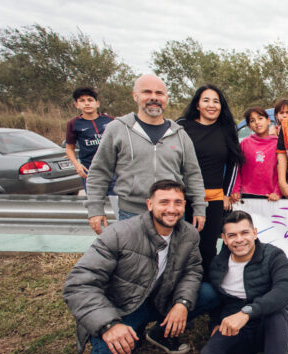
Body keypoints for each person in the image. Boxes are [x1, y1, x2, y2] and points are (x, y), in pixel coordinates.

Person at [64, 180, 219, 354]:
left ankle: (160, 333)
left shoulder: (189, 233)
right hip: (122, 307)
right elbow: (78, 284)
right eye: (164, 202)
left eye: (178, 202)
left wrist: (182, 303)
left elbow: (192, 271)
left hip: (160, 297)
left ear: (185, 205)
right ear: (149, 204)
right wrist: (109, 324)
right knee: (110, 352)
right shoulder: (120, 234)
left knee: (209, 294)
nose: (171, 209)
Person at [84, 74, 206, 234]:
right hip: (131, 214)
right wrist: (95, 208)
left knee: (170, 258)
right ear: (135, 96)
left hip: (170, 214)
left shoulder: (179, 134)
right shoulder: (118, 129)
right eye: (147, 92)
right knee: (133, 259)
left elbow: (193, 175)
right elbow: (100, 172)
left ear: (166, 98)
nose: (154, 98)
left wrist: (199, 208)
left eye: (159, 93)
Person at [196, 211, 288, 354]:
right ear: (224, 239)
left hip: (268, 323)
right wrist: (216, 322)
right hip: (235, 327)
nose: (239, 240)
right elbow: (217, 299)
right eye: (232, 235)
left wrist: (247, 312)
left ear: (255, 233)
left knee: (278, 314)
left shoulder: (273, 255)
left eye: (245, 233)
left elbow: (286, 290)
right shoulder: (218, 264)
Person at [178, 85, 244, 275]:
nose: (211, 105)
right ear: (197, 104)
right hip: (184, 198)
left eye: (216, 101)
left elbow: (233, 163)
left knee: (207, 249)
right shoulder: (182, 126)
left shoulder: (226, 129)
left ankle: (205, 292)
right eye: (206, 100)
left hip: (213, 198)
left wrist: (226, 193)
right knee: (181, 248)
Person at [65, 87, 114, 190]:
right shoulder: (73, 124)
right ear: (76, 105)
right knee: (95, 204)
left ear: (97, 103)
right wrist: (77, 165)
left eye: (90, 100)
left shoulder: (109, 120)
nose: (87, 103)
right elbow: (69, 148)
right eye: (82, 101)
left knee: (115, 203)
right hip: (89, 171)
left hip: (111, 170)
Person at [233, 107, 281, 201]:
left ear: (268, 121)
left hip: (270, 196)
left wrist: (277, 192)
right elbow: (237, 169)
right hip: (246, 195)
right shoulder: (244, 144)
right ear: (249, 126)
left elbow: (281, 172)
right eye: (252, 120)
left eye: (260, 118)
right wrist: (235, 190)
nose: (257, 122)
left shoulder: (278, 144)